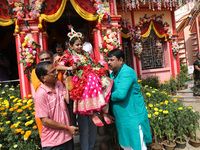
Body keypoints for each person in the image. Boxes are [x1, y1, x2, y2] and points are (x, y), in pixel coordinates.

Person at [56, 26, 113, 150]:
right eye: (77, 45)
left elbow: (94, 64)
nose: (80, 47)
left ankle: (102, 112)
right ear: (71, 46)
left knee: (93, 128)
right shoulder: (67, 56)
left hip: (92, 90)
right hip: (81, 92)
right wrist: (71, 68)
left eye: (81, 44)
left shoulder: (87, 55)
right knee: (84, 129)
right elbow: (59, 68)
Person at [107, 49, 152, 150]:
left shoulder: (127, 72)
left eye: (112, 60)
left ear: (121, 60)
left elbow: (120, 95)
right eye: (108, 60)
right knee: (126, 145)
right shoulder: (113, 74)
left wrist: (103, 96)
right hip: (122, 117)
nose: (109, 62)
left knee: (136, 146)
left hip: (132, 116)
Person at [34, 61, 79, 149]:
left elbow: (68, 101)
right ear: (43, 78)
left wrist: (66, 83)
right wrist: (67, 128)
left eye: (55, 70)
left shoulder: (58, 84)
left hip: (67, 138)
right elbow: (45, 121)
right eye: (53, 72)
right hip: (52, 142)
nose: (56, 73)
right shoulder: (41, 94)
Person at [31, 50, 54, 138]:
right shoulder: (35, 72)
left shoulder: (57, 70)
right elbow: (39, 87)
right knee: (46, 135)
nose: (45, 61)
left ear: (52, 59)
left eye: (47, 58)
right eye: (42, 59)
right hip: (44, 105)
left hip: (58, 107)